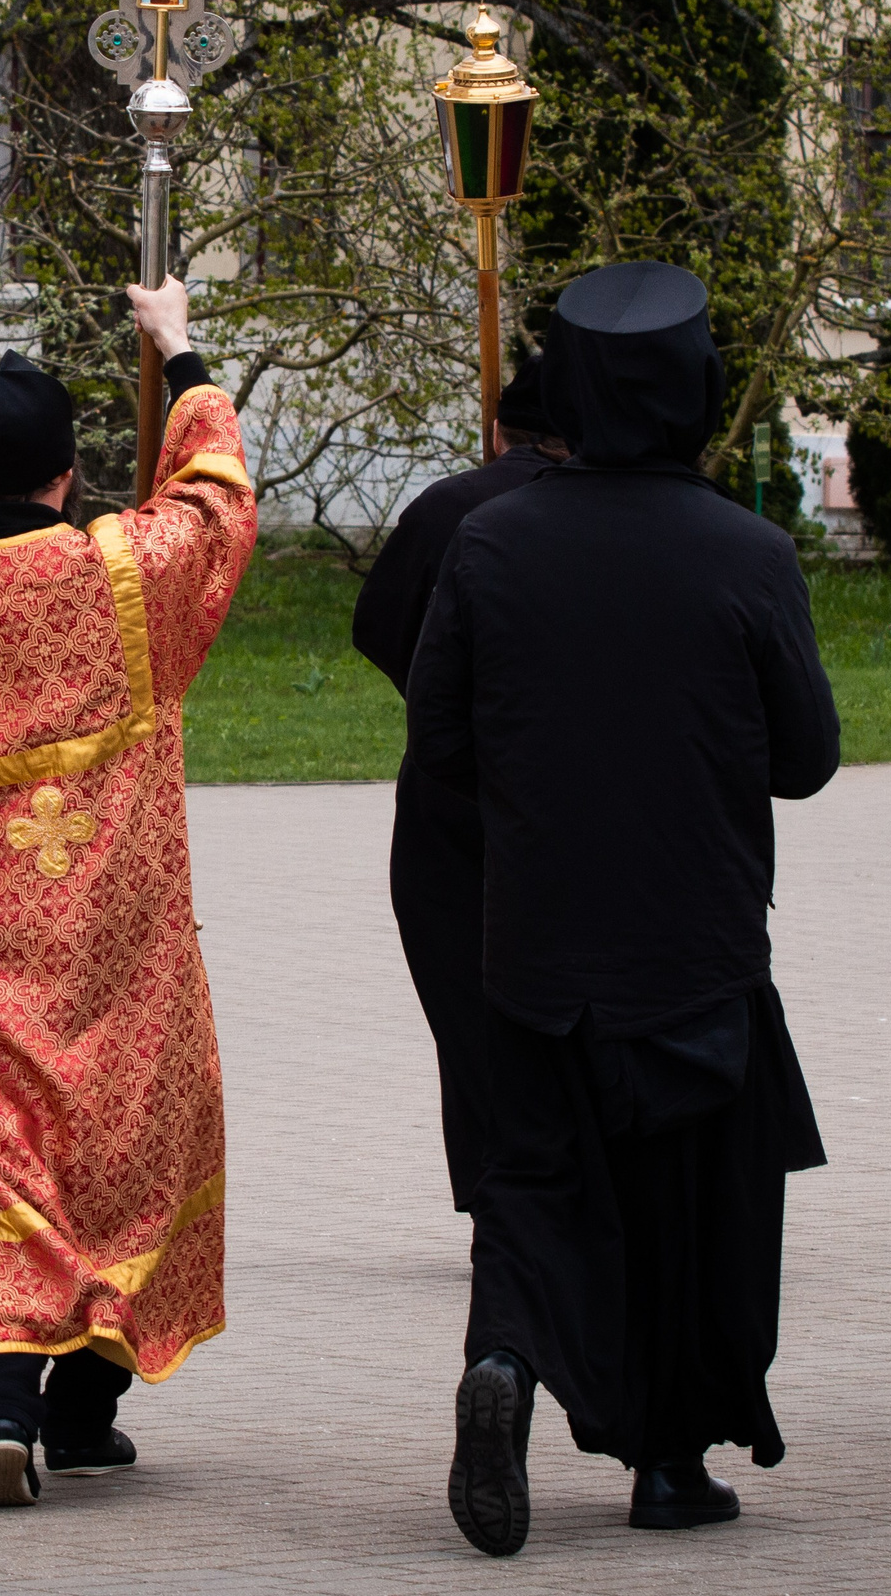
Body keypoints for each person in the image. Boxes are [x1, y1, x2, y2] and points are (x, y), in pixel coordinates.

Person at [407, 262, 838, 1555]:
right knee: (691, 1204)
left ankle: (504, 1364)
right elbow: (805, 758)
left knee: (533, 1183)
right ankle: (669, 1464)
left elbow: (439, 749)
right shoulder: (749, 553)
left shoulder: (492, 539)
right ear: (698, 392)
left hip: (538, 940)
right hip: (694, 941)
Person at [0, 280, 258, 1508]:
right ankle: (87, 1407)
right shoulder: (126, 569)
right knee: (124, 1146)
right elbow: (214, 503)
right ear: (69, 462)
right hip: (116, 934)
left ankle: (4, 1400)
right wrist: (179, 342)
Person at [350, 355, 567, 1211]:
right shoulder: (597, 512)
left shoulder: (452, 507)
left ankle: (497, 1184)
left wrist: (437, 696)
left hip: (452, 798)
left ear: (498, 431)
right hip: (568, 800)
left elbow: (378, 624)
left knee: (468, 1005)